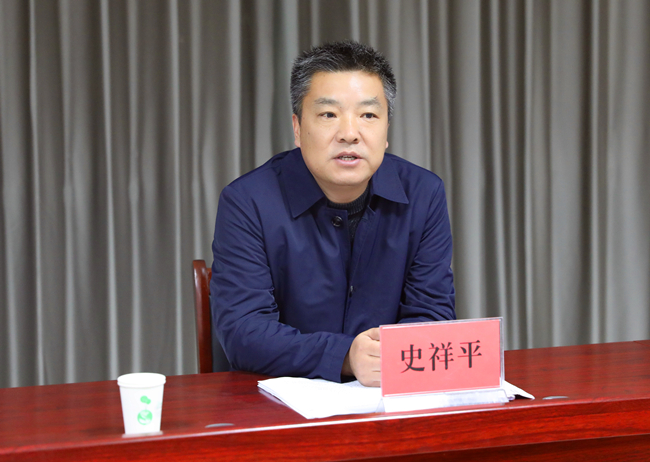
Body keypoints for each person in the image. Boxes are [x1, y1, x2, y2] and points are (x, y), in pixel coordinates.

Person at [210, 40, 455, 387]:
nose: (349, 134)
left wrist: (390, 361)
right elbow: (244, 332)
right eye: (328, 115)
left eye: (368, 115)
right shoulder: (247, 201)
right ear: (297, 128)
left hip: (387, 398)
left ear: (386, 129)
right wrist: (345, 356)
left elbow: (432, 315)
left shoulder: (423, 194)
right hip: (278, 403)